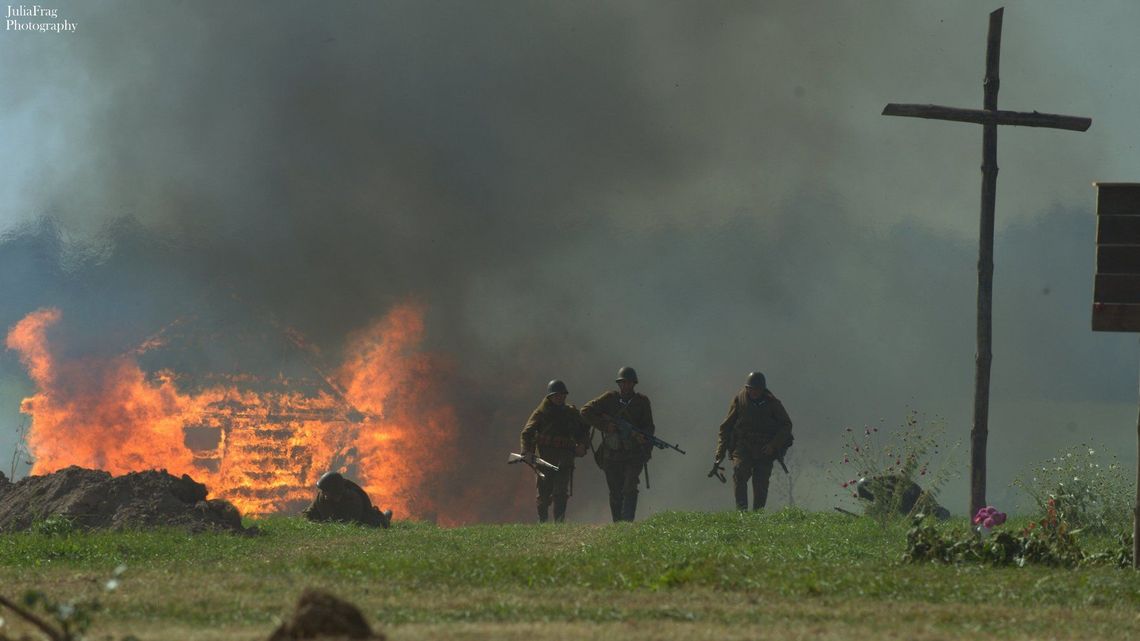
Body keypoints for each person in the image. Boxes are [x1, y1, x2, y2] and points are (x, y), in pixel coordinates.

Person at [581, 366, 655, 522]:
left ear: (634, 384)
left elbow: (649, 428)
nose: (625, 386)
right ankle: (618, 524)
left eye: (628, 383)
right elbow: (585, 411)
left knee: (630, 487)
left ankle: (627, 524)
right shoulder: (609, 398)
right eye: (622, 383)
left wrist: (645, 445)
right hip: (612, 454)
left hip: (633, 453)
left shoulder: (642, 402)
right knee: (615, 491)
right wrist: (605, 426)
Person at [714, 371, 793, 511]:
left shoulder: (773, 403)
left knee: (761, 482)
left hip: (765, 448)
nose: (753, 392)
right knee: (739, 473)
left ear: (762, 390)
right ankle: (742, 512)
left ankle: (757, 515)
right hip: (743, 445)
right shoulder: (740, 400)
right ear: (747, 388)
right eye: (750, 389)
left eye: (757, 389)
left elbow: (786, 426)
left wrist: (773, 445)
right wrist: (719, 454)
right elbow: (725, 427)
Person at [520, 379, 591, 522]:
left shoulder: (571, 413)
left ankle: (559, 522)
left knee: (560, 493)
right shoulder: (541, 412)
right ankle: (543, 523)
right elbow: (527, 433)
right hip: (544, 459)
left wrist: (583, 445)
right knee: (543, 496)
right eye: (556, 395)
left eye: (562, 395)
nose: (559, 397)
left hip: (564, 460)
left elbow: (583, 431)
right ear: (550, 397)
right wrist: (527, 452)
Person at [302, 471, 392, 528]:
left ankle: (385, 517)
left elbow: (351, 524)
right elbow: (308, 515)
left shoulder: (353, 500)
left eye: (326, 491)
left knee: (376, 524)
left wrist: (326, 526)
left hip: (362, 517)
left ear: (334, 491)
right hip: (334, 520)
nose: (323, 493)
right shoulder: (322, 497)